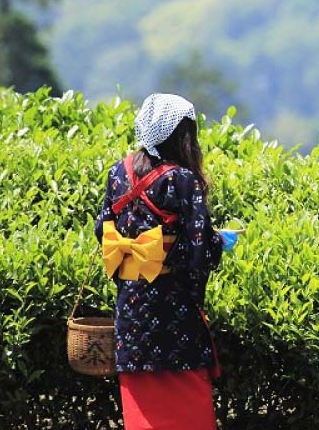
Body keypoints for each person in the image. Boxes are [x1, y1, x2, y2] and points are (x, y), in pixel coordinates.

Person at [95, 93, 239, 430]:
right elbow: (197, 251)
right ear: (182, 135)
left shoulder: (119, 172)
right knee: (187, 409)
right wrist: (219, 242)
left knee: (142, 408)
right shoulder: (182, 179)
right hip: (173, 315)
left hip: (131, 312)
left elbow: (103, 230)